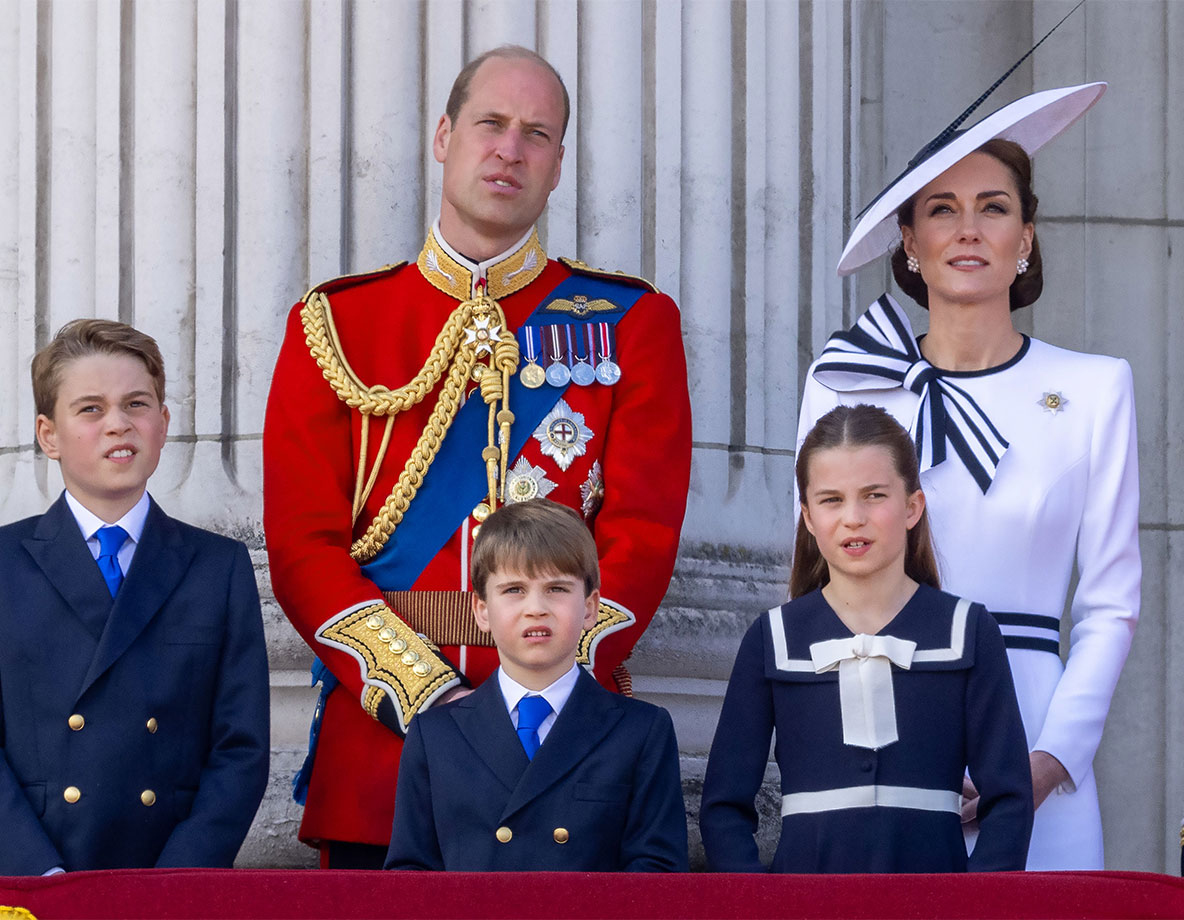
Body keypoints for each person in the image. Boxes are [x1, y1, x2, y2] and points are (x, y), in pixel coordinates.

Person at [263, 45, 691, 867]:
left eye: (537, 134)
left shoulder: (631, 322)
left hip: (564, 751)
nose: (510, 148)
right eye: (491, 123)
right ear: (444, 136)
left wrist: (539, 691)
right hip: (385, 752)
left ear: (558, 165)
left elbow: (642, 535)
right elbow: (301, 547)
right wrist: (425, 696)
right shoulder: (336, 323)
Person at [798, 81, 1138, 869]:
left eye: (993, 206)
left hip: (1037, 732)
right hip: (876, 720)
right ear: (908, 241)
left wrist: (1050, 761)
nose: (968, 229)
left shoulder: (1095, 387)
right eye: (942, 209)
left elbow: (1112, 603)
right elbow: (815, 573)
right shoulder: (845, 383)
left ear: (1026, 236)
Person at [0, 319, 270, 874]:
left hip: (167, 881)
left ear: (162, 425)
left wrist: (174, 885)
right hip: (30, 877)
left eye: (136, 405)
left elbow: (241, 749)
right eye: (90, 409)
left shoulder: (218, 567)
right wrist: (38, 877)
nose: (118, 424)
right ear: (49, 435)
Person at [700, 405, 1032, 872]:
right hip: (803, 903)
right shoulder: (772, 637)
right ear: (809, 517)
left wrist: (975, 906)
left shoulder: (967, 630)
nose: (853, 518)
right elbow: (723, 807)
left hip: (936, 900)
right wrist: (760, 901)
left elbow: (1010, 800)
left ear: (913, 506)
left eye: (874, 495)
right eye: (831, 500)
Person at [383, 499, 688, 871]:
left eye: (557, 588)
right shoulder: (435, 735)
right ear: (482, 611)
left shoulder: (641, 732)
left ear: (591, 607)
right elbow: (409, 879)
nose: (536, 608)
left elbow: (656, 876)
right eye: (514, 590)